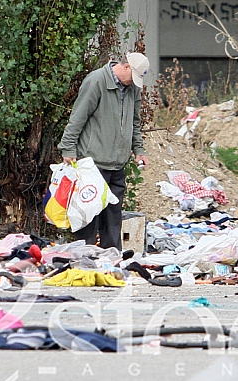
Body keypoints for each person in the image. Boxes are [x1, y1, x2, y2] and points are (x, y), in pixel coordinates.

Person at [58, 53, 149, 250]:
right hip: (93, 162)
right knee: (89, 216)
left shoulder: (132, 88)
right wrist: (68, 148)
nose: (133, 83)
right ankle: (86, 255)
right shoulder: (97, 81)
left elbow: (135, 122)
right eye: (133, 77)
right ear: (126, 67)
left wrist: (139, 149)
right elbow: (78, 117)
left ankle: (111, 257)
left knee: (113, 218)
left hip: (117, 163)